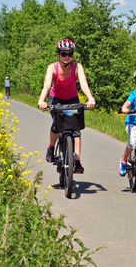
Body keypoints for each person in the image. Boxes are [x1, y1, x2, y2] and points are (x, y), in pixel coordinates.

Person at [38, 39, 95, 174]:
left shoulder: (77, 67)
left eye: (70, 54)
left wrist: (90, 98)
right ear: (58, 54)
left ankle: (77, 161)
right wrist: (42, 100)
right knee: (57, 126)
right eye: (64, 54)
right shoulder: (52, 68)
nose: (67, 57)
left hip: (72, 99)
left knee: (75, 130)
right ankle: (51, 148)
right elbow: (46, 85)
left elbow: (83, 84)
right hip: (55, 99)